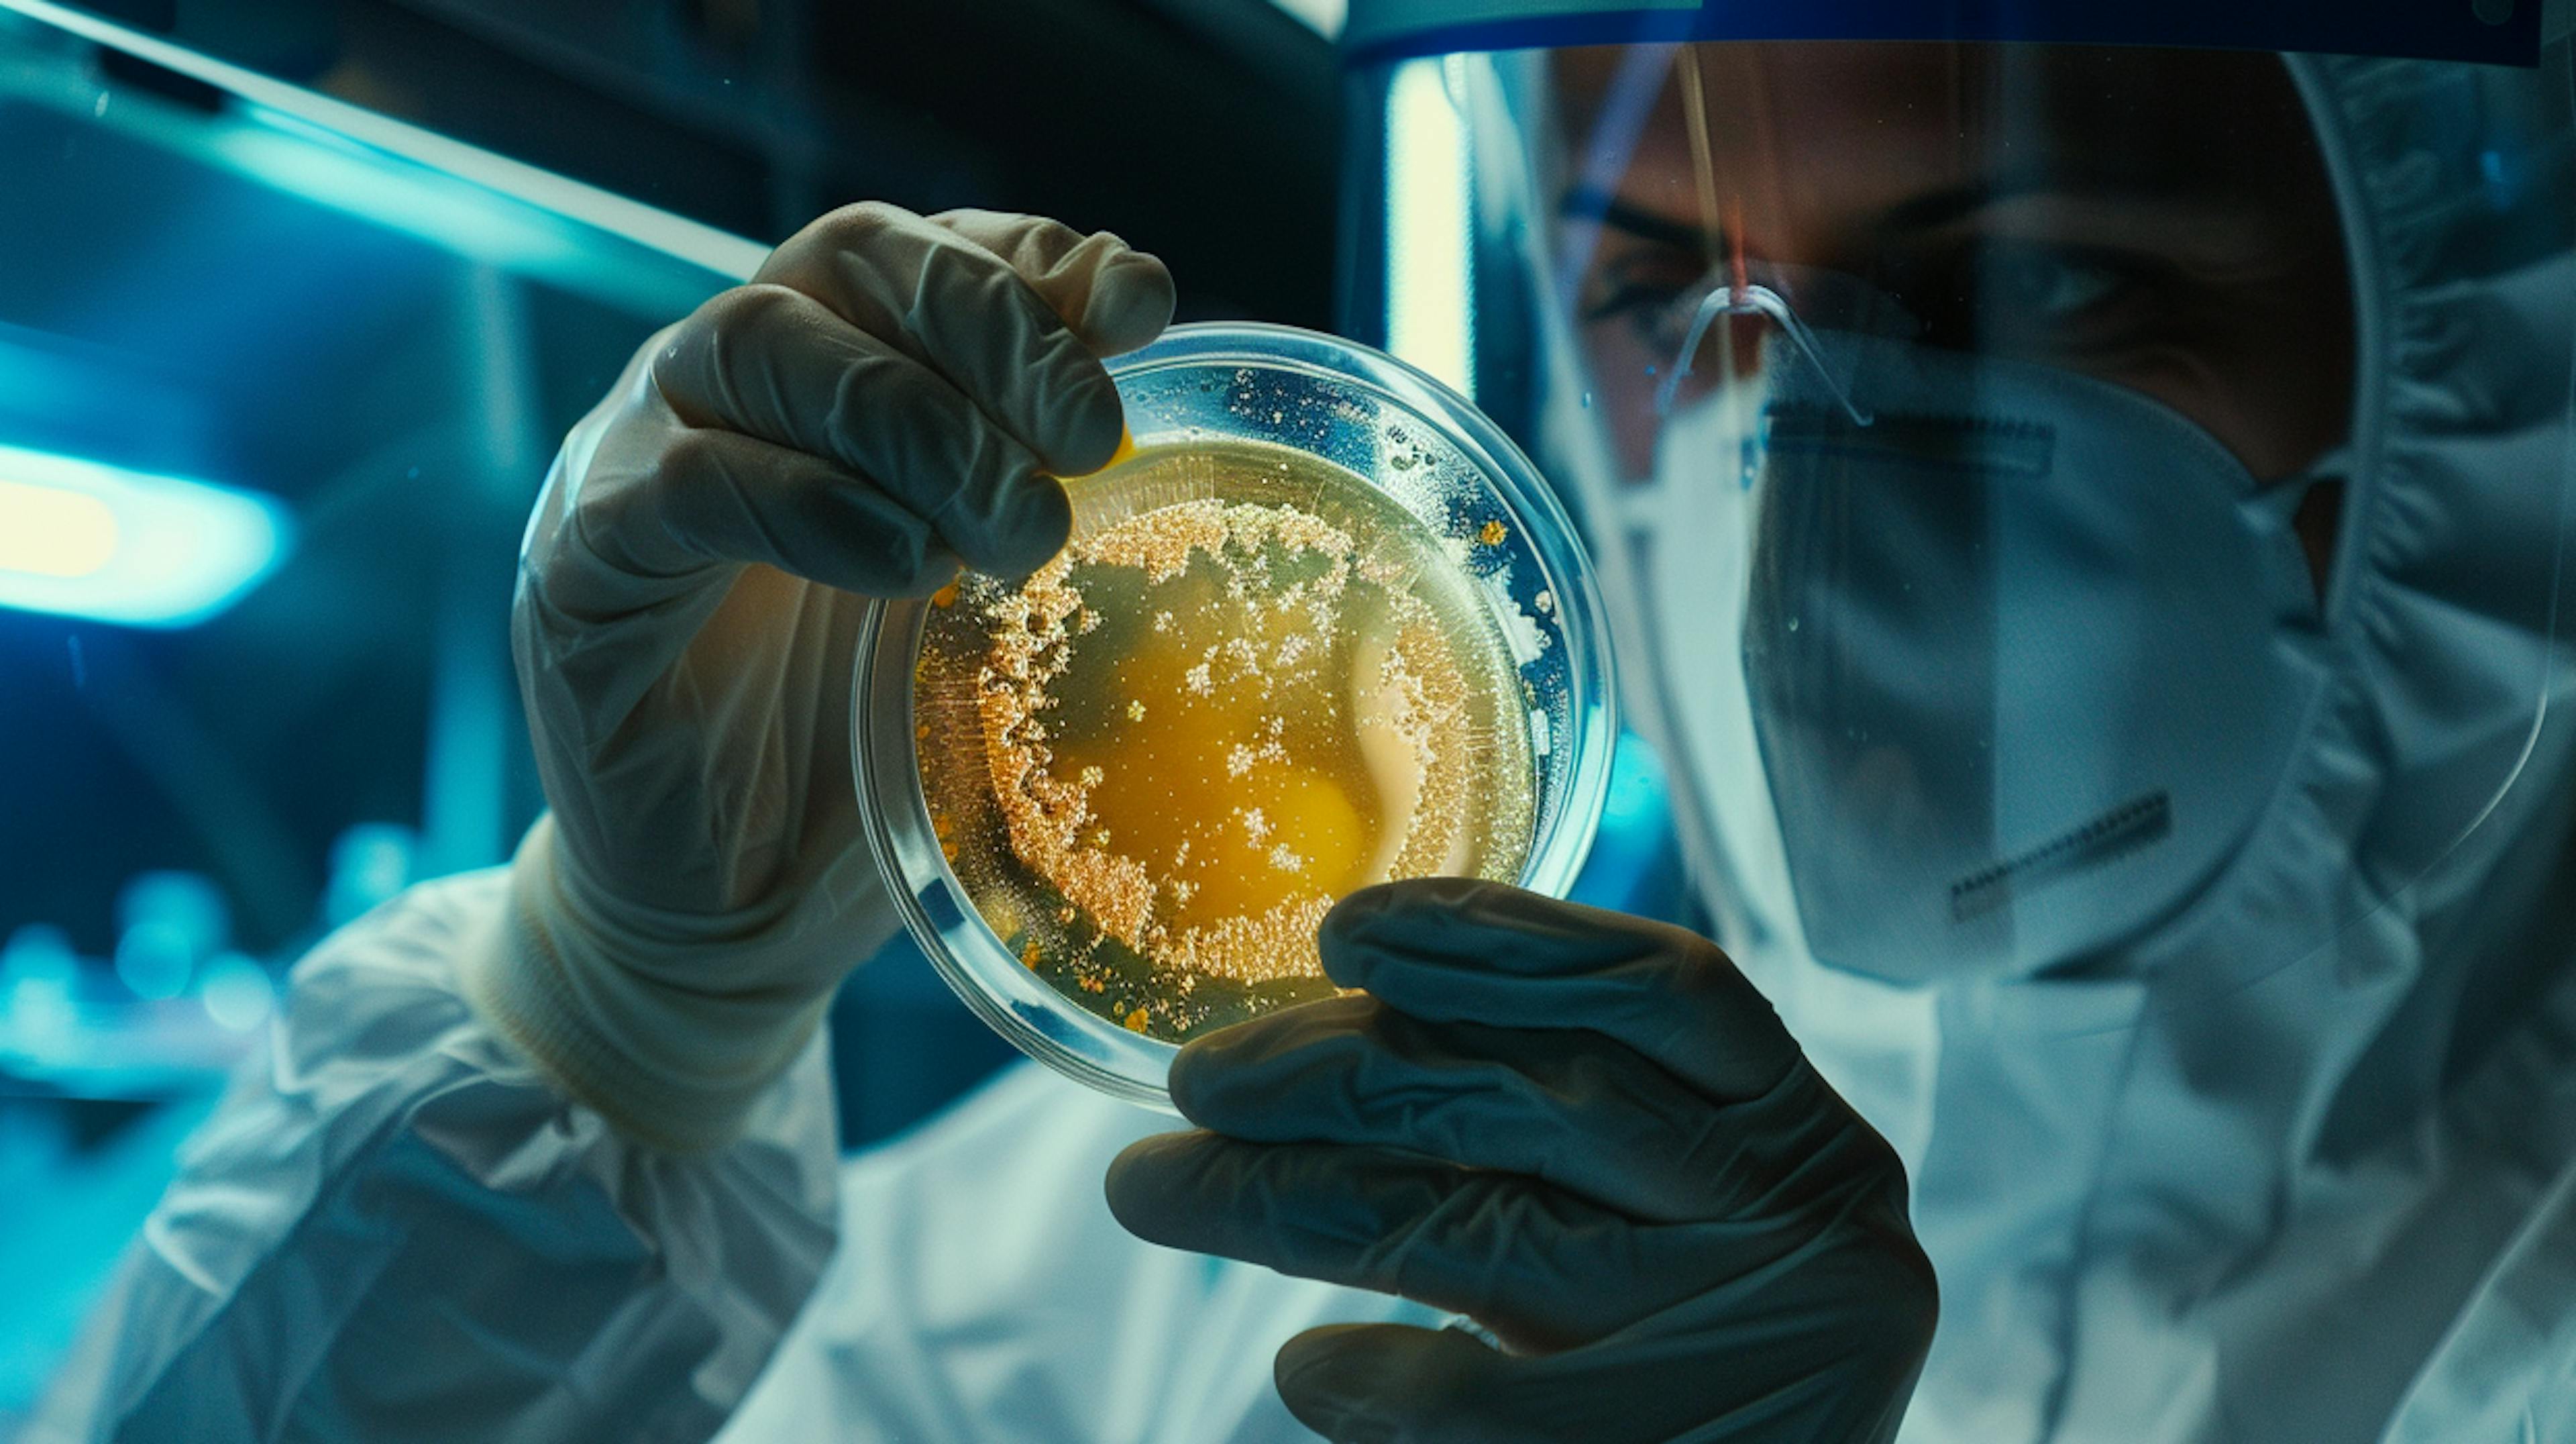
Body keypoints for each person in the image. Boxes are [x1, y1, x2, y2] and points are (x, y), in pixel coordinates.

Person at [29, 5, 2576, 1441]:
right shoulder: (1189, 1249)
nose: (1781, 465)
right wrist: (612, 1030)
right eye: (1662, 285)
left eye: (2025, 279)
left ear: (2488, 325)